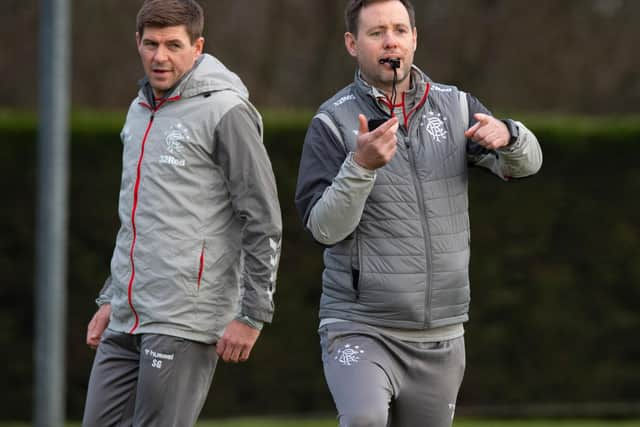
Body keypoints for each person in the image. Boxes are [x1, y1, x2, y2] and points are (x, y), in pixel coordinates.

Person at [294, 0, 542, 426]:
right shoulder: (332, 122)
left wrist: (510, 136)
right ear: (353, 44)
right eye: (376, 33)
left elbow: (526, 165)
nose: (390, 40)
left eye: (399, 30)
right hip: (361, 325)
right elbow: (323, 228)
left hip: (441, 333)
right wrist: (360, 167)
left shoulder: (456, 106)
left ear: (414, 38)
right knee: (364, 421)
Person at [82, 1, 282, 425]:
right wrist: (110, 296)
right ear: (137, 42)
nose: (160, 56)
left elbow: (262, 217)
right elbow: (139, 219)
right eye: (151, 44)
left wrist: (252, 313)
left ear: (198, 46)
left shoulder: (226, 111)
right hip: (127, 314)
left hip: (184, 318)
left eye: (173, 44)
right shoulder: (137, 111)